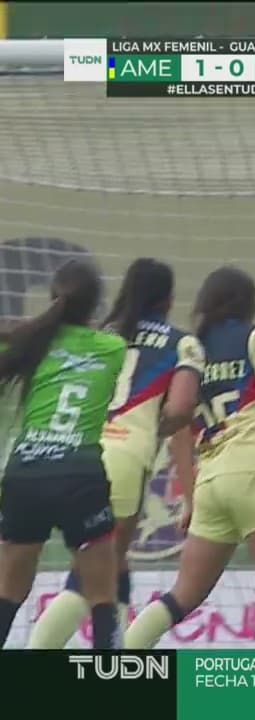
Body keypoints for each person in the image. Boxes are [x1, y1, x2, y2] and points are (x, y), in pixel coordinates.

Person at [124, 266, 255, 649]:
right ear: (248, 304)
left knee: (183, 595)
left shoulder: (192, 350)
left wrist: (190, 498)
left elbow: (179, 431)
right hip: (254, 472)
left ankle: (120, 659)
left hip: (210, 482)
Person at [28, 258, 204, 648]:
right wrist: (152, 431)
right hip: (126, 459)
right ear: (169, 300)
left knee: (113, 565)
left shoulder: (104, 333)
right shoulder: (183, 344)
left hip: (81, 450)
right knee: (93, 577)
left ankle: (118, 660)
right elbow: (180, 412)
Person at [0, 259, 126, 649]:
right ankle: (112, 677)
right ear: (95, 305)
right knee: (102, 594)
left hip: (26, 472)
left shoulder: (31, 344)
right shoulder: (112, 348)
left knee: (8, 590)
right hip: (78, 473)